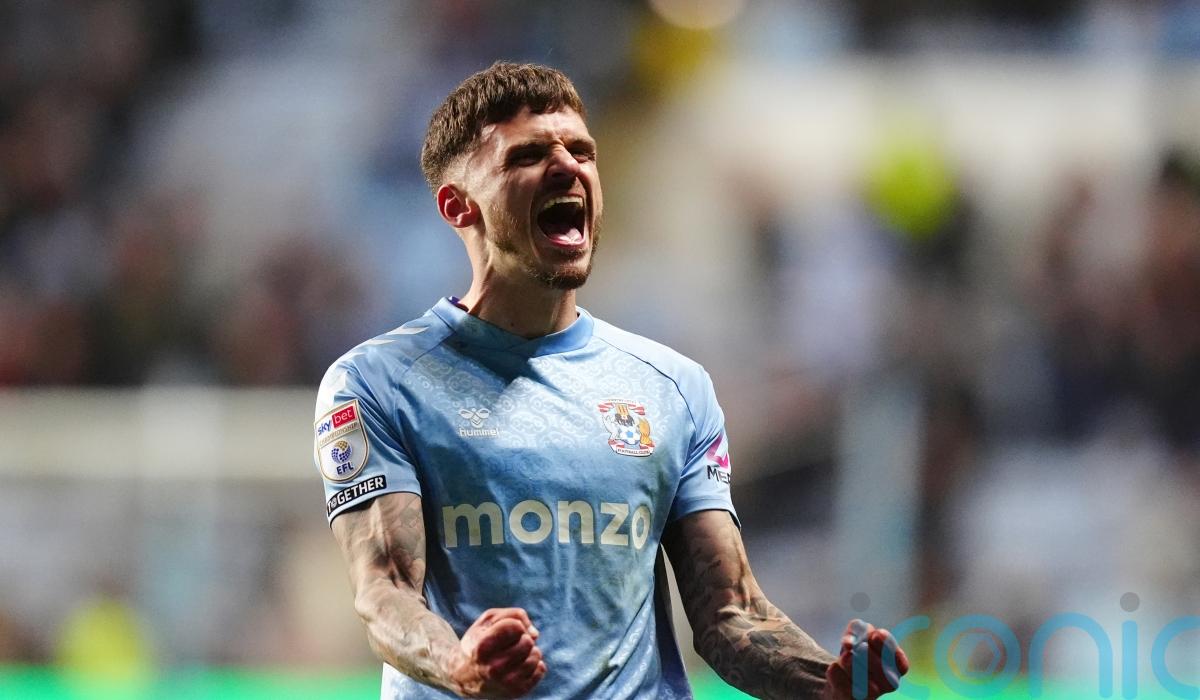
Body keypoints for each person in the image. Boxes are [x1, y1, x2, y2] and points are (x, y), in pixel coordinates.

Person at [314, 61, 909, 699]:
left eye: (581, 151)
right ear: (459, 205)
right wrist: (461, 665)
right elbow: (384, 593)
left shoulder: (674, 388)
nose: (567, 167)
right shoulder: (379, 383)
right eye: (528, 156)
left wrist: (825, 684)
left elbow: (730, 613)